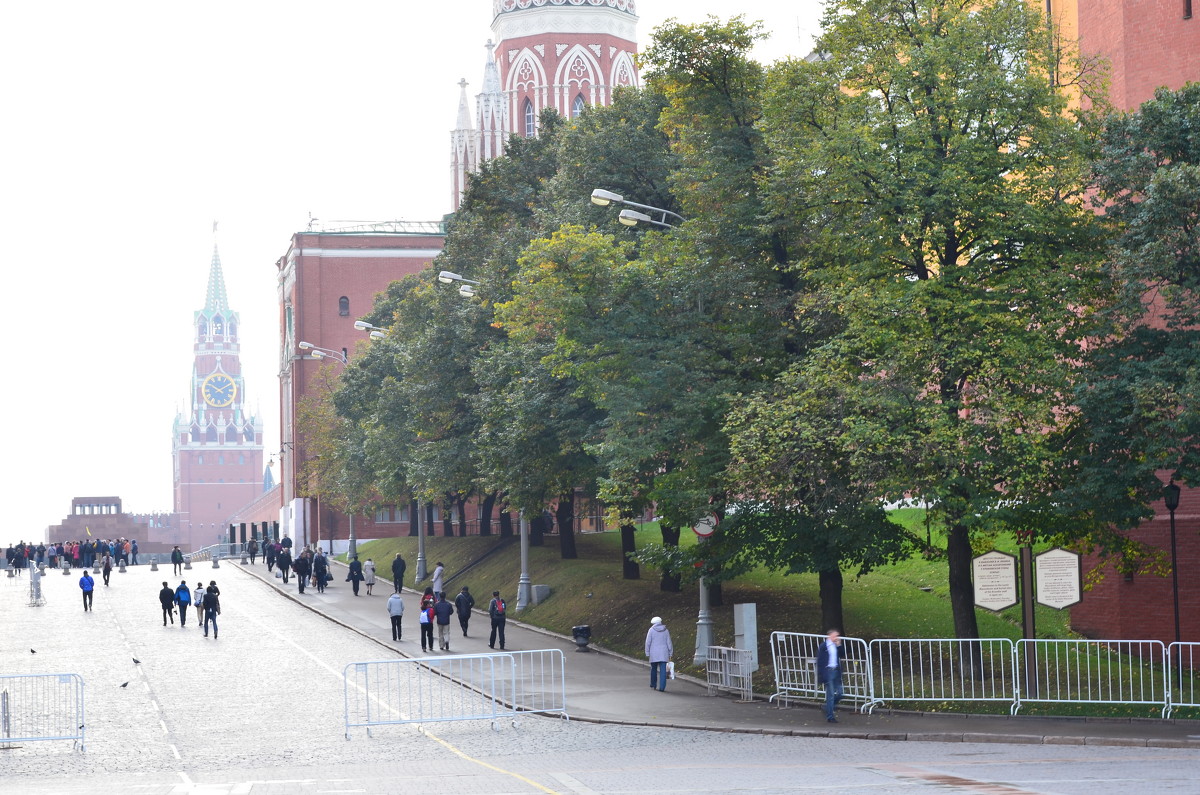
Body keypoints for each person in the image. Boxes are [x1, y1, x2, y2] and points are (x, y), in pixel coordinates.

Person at [817, 629, 844, 722]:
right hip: (828, 672)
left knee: (840, 693)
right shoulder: (824, 646)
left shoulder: (835, 645)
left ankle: (828, 707)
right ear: (830, 635)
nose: (836, 637)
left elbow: (842, 655)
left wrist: (839, 645)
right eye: (835, 635)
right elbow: (820, 661)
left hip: (836, 671)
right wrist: (822, 675)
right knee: (831, 694)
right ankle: (830, 716)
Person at [645, 616, 674, 692]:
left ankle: (653, 684)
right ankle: (662, 687)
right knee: (663, 671)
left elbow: (648, 642)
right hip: (664, 653)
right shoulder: (666, 630)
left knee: (653, 669)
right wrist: (670, 652)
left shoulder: (651, 630)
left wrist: (647, 652)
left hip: (654, 653)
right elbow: (669, 642)